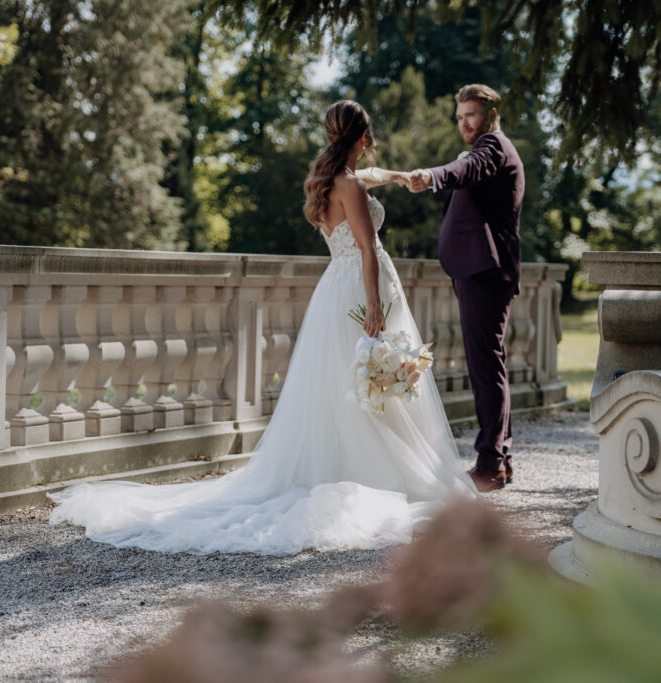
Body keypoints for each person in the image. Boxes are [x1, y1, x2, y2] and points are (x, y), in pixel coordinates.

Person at [49, 100, 476, 555]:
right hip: (360, 287)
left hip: (336, 285)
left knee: (351, 381)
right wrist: (374, 305)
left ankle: (370, 464)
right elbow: (369, 251)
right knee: (370, 374)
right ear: (363, 138)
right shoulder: (348, 184)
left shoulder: (333, 181)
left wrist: (391, 176)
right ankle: (381, 473)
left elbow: (365, 182)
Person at [409, 84, 525, 492]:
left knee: (485, 367)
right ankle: (501, 459)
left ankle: (490, 462)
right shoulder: (488, 148)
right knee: (488, 364)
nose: (464, 123)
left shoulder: (493, 146)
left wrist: (432, 176)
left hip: (485, 272)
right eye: (459, 117)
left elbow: (465, 171)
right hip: (477, 270)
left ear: (491, 114)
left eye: (470, 115)